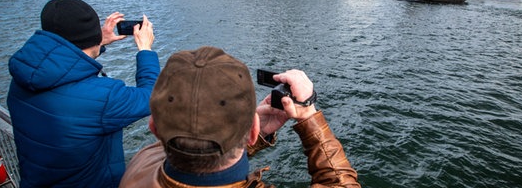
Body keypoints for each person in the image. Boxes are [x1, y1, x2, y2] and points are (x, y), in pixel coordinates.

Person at [119, 46, 360, 187]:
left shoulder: (140, 163)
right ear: (253, 132)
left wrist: (247, 132)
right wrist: (308, 113)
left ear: (153, 127)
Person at [7, 0, 160, 188]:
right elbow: (152, 97)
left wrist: (98, 43)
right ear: (92, 36)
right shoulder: (102, 97)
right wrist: (145, 50)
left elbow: (59, 63)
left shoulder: (23, 76)